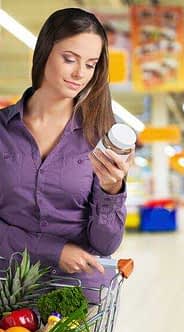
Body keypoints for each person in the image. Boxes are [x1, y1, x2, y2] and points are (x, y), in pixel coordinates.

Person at [0, 8, 134, 303]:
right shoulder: (3, 132)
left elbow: (106, 244)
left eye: (90, 64)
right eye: (69, 59)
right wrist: (52, 251)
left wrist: (112, 189)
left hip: (76, 295)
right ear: (45, 52)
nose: (79, 74)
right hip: (6, 290)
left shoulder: (100, 138)